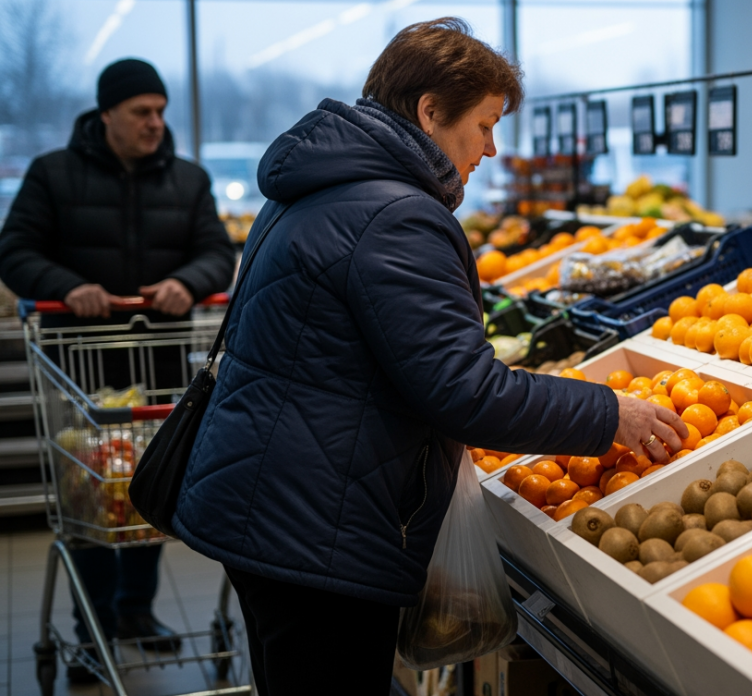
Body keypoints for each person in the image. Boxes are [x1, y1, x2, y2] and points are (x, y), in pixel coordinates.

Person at [171, 18, 687, 696]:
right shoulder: (395, 215)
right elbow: (465, 391)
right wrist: (609, 413)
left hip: (271, 501)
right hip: (317, 526)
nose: (492, 148)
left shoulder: (316, 186)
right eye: (485, 125)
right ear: (430, 112)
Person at [0, 58, 236, 683]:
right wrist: (66, 286)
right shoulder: (53, 174)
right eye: (141, 112)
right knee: (92, 499)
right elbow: (14, 252)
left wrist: (189, 281)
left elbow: (217, 253)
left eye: (160, 111)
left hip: (159, 368)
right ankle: (93, 628)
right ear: (106, 113)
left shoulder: (187, 179)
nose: (155, 122)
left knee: (148, 492)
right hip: (79, 371)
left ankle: (135, 611)